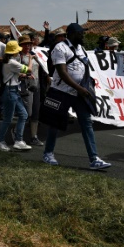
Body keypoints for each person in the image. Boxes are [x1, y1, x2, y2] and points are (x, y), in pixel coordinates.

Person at [42, 22, 111, 170]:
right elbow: (62, 72)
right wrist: (79, 88)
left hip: (79, 92)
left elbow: (84, 67)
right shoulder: (60, 48)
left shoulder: (81, 49)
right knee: (55, 124)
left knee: (86, 123)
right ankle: (48, 153)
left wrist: (88, 85)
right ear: (72, 34)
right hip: (61, 91)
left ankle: (94, 159)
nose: (83, 35)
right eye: (81, 33)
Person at [0, 39, 33, 151]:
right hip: (11, 91)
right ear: (14, 52)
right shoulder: (12, 63)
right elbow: (29, 69)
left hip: (12, 91)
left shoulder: (7, 62)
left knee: (23, 115)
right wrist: (30, 59)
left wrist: (23, 75)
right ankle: (0, 141)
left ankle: (18, 140)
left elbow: (16, 74)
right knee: (8, 118)